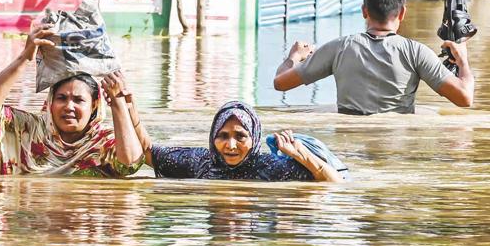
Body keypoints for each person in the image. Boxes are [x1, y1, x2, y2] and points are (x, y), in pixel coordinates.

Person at [273, 0, 475, 114]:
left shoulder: (338, 48)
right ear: (402, 13)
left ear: (364, 11)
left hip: (349, 143)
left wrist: (295, 57)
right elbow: (465, 98)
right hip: (397, 145)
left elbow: (280, 83)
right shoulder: (416, 52)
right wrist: (463, 60)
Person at [0, 25, 143, 177]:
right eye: (62, 98)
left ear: (93, 106)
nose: (69, 106)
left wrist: (118, 101)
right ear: (50, 103)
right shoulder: (31, 129)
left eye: (78, 100)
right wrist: (25, 57)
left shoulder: (103, 141)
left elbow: (130, 165)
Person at [112, 81, 346, 181]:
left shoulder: (274, 169)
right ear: (213, 137)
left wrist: (301, 155)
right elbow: (149, 153)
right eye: (223, 136)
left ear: (253, 139)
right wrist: (130, 108)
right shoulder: (199, 162)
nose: (230, 145)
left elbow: (335, 185)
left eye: (240, 136)